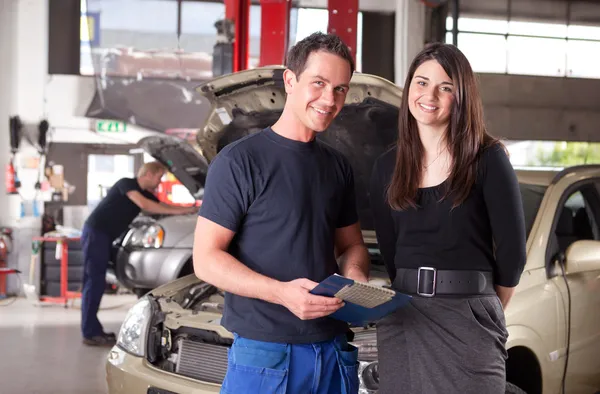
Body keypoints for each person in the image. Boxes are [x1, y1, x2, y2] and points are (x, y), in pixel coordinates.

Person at [193, 32, 370, 394]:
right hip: (266, 356)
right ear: (290, 80)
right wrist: (282, 293)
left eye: (340, 89)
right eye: (318, 83)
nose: (329, 99)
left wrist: (356, 280)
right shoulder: (239, 161)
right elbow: (206, 259)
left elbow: (352, 245)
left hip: (333, 349)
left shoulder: (338, 167)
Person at [369, 42, 527, 394]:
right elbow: (390, 252)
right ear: (409, 87)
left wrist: (482, 308)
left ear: (462, 96)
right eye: (421, 82)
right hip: (404, 316)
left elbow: (513, 253)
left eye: (446, 87)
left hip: (468, 315)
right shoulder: (385, 168)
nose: (430, 95)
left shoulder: (488, 159)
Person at [81, 161, 197, 346]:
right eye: (159, 177)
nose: (159, 182)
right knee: (93, 282)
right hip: (96, 233)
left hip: (105, 237)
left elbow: (163, 207)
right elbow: (146, 205)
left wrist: (189, 210)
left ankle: (93, 330)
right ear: (149, 173)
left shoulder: (144, 193)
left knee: (96, 281)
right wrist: (187, 210)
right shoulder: (126, 184)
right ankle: (90, 333)